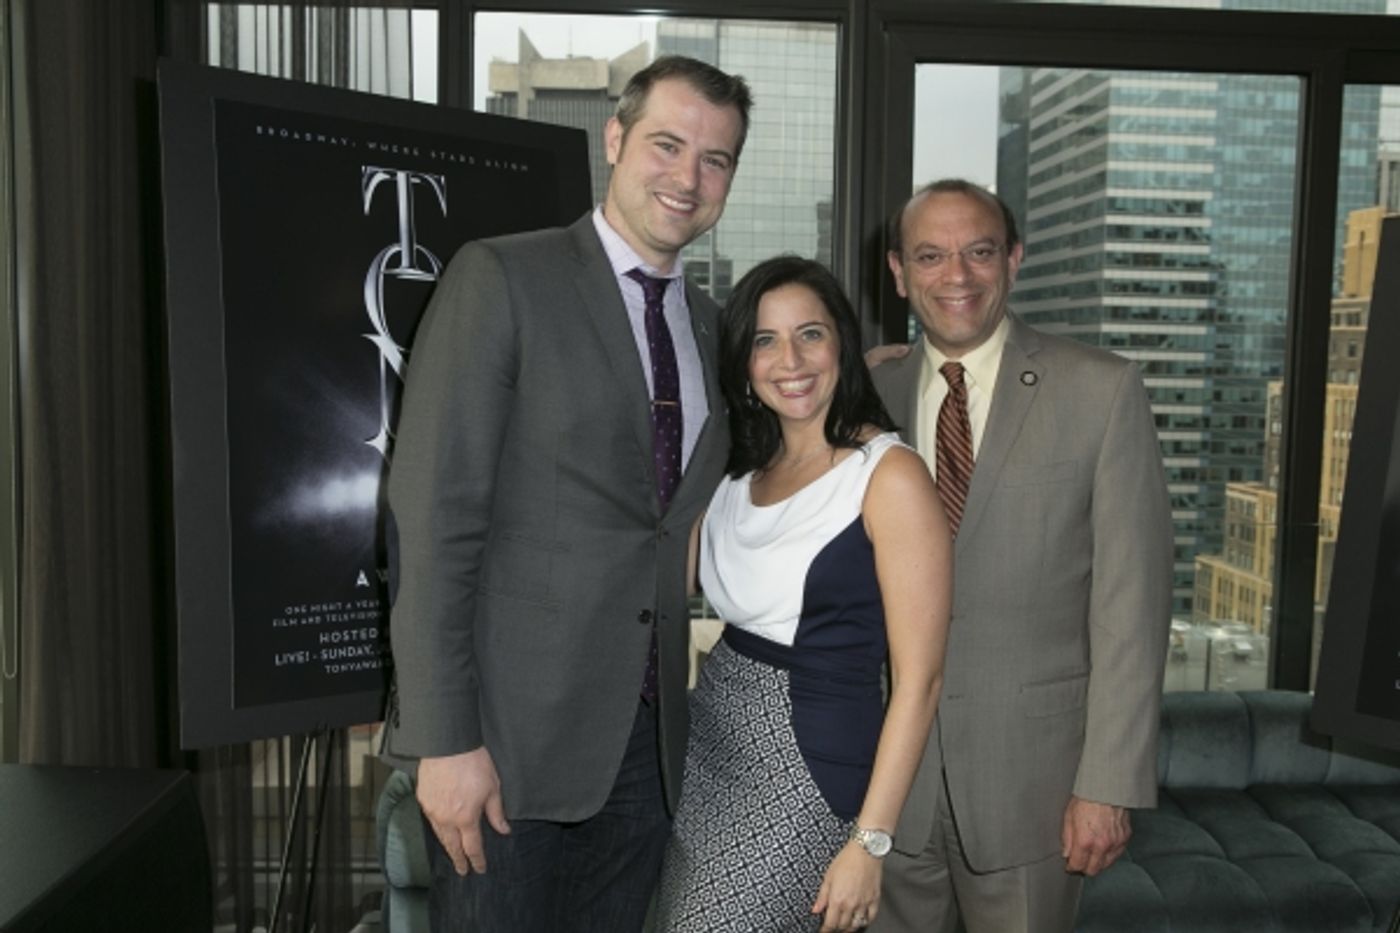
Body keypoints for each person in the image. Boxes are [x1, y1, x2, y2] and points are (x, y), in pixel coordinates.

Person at [379, 56, 752, 933]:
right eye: (668, 143)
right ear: (614, 139)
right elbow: (434, 519)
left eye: (716, 159)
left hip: (648, 748)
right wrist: (443, 738)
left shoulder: (707, 327)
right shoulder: (502, 278)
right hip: (504, 746)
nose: (688, 177)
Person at [868, 179, 1174, 933]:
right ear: (900, 273)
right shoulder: (867, 392)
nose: (957, 275)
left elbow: (1132, 607)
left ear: (1014, 259)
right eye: (931, 256)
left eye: (979, 251)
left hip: (1033, 788)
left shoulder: (1101, 391)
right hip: (882, 785)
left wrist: (1108, 783)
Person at [656, 256, 952, 933]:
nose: (789, 358)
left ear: (841, 343)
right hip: (710, 742)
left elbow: (920, 680)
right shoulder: (735, 472)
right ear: (744, 362)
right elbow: (665, 574)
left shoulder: (889, 474)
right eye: (765, 340)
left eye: (810, 333)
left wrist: (870, 843)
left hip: (806, 763)